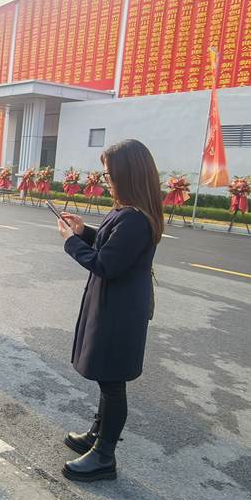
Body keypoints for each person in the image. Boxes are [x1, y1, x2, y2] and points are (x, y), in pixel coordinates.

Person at [56, 138, 163, 482]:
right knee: (107, 378)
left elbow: (106, 264)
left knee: (112, 381)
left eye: (108, 174)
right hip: (114, 305)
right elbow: (110, 247)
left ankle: (104, 455)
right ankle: (97, 434)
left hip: (120, 312)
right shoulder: (127, 212)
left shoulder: (135, 219)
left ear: (127, 175)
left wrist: (70, 242)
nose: (106, 180)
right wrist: (83, 231)